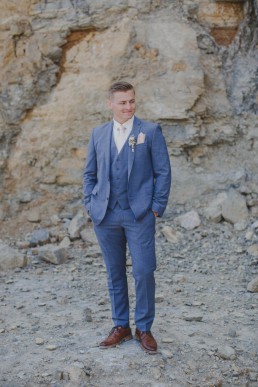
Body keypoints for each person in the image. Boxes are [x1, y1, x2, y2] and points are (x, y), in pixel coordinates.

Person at [83, 81, 171, 354]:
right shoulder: (98, 134)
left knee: (144, 270)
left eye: (132, 101)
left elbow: (163, 172)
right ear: (110, 104)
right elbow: (90, 174)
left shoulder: (150, 131)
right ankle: (120, 325)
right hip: (106, 215)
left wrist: (156, 206)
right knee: (115, 272)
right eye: (122, 102)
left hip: (139, 214)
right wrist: (90, 204)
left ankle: (144, 328)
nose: (129, 107)